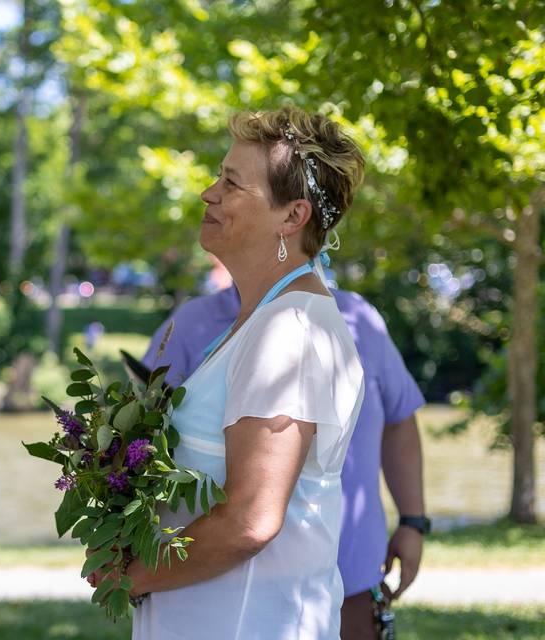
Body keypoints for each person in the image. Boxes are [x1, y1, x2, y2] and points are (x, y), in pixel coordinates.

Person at [98, 106, 367, 639]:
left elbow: (251, 518)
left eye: (231, 183)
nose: (208, 193)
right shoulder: (261, 322)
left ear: (293, 216)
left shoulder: (289, 330)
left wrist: (129, 577)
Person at [143, 268, 427, 639]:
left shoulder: (357, 318)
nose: (214, 206)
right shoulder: (192, 322)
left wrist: (413, 521)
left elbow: (399, 418)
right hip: (228, 588)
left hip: (352, 570)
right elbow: (142, 439)